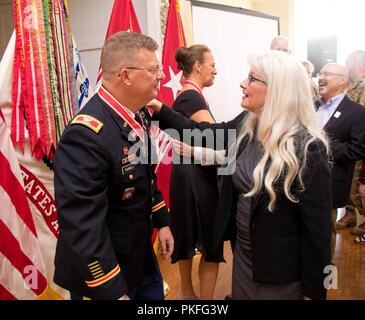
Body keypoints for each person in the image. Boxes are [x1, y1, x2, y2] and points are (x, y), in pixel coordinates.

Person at [150, 50, 332, 300]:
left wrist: (319, 291)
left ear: (278, 89)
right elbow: (201, 132)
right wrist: (159, 108)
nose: (242, 83)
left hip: (280, 272)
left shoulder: (309, 148)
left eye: (252, 78)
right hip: (244, 259)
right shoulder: (249, 123)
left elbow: (319, 232)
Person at [53, 31, 174, 300]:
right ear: (126, 75)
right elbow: (83, 225)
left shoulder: (138, 113)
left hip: (138, 253)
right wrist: (111, 290)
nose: (161, 76)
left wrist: (162, 221)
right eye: (154, 69)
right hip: (104, 273)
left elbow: (145, 177)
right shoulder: (85, 136)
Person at [168, 45, 220, 300]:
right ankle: (197, 298)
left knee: (186, 235)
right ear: (198, 66)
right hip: (196, 176)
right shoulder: (192, 97)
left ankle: (187, 292)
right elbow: (217, 139)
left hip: (187, 174)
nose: (215, 71)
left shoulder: (188, 95)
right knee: (210, 242)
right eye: (212, 65)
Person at [316, 63, 365, 260]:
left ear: (342, 80)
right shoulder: (310, 106)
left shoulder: (356, 112)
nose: (320, 77)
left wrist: (323, 143)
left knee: (325, 235)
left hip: (330, 184)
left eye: (326, 74)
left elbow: (358, 149)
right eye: (320, 73)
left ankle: (326, 284)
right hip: (299, 183)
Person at [337, 50, 365, 240]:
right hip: (347, 143)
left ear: (355, 62)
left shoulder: (363, 86)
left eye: (347, 61)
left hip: (357, 144)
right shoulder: (352, 86)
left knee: (359, 186)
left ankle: (362, 222)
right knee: (349, 184)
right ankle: (349, 215)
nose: (346, 65)